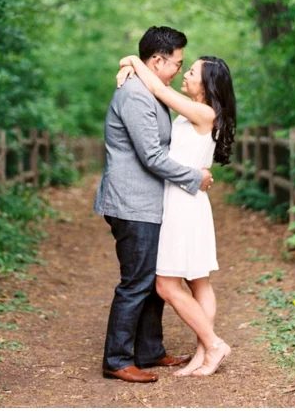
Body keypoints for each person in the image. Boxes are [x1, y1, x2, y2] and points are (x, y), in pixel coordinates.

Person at [93, 26, 215, 384]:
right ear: (157, 60)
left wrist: (132, 60)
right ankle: (116, 359)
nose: (180, 69)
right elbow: (151, 155)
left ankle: (149, 351)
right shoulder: (135, 95)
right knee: (136, 281)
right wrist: (195, 177)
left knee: (152, 278)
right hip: (132, 202)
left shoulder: (150, 88)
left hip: (150, 201)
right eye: (177, 63)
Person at [115, 50, 236, 377]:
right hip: (185, 200)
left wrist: (131, 61)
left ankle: (213, 345)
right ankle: (202, 355)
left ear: (207, 83)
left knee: (166, 285)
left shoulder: (202, 112)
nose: (185, 74)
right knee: (199, 281)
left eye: (193, 71)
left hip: (184, 205)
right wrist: (132, 66)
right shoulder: (196, 113)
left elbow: (159, 91)